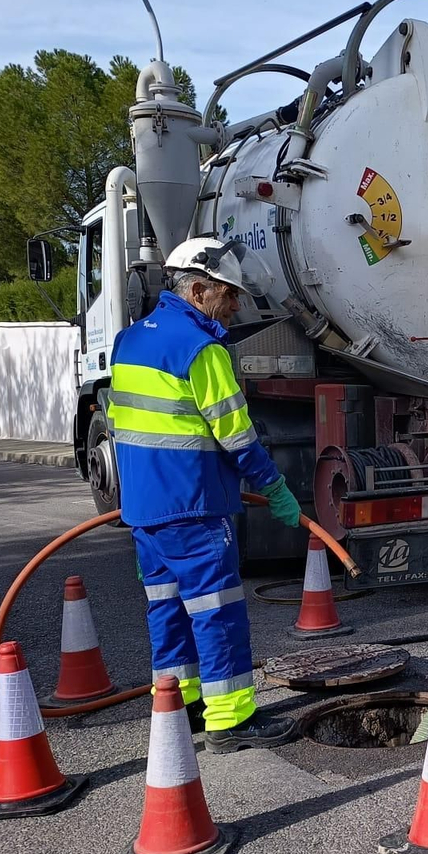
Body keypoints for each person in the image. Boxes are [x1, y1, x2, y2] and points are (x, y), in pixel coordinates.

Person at [108, 237, 303, 752]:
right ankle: (231, 718)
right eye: (229, 295)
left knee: (167, 611)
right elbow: (236, 434)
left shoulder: (129, 341)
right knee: (217, 610)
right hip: (194, 506)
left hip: (146, 511)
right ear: (198, 291)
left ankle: (180, 705)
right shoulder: (202, 349)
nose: (236, 305)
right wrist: (275, 486)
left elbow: (123, 428)